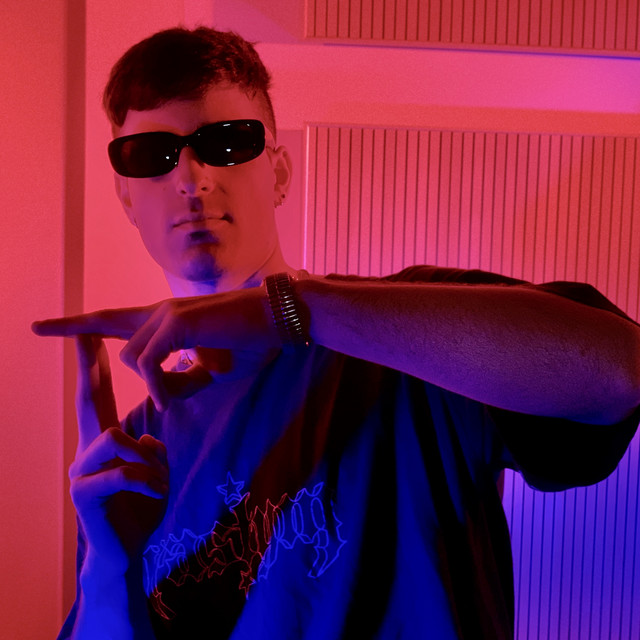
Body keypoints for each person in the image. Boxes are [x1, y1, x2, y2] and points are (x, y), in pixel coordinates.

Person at [33, 27, 640, 640]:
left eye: (227, 143)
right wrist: (107, 566)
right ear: (126, 197)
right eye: (151, 155)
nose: (192, 178)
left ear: (278, 173)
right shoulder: (129, 452)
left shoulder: (409, 338)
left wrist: (289, 308)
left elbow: (620, 372)